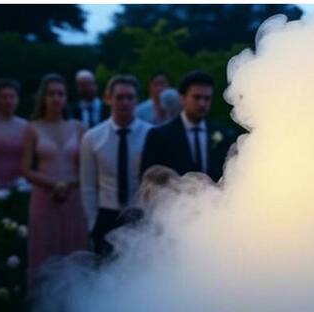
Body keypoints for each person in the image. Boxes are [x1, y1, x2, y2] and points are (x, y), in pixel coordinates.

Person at [20, 73, 88, 287]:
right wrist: (52, 184)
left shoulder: (79, 127)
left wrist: (68, 185)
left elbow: (87, 169)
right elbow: (25, 168)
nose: (56, 98)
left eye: (60, 94)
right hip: (43, 197)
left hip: (73, 197)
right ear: (43, 98)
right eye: (51, 94)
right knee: (45, 248)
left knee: (74, 249)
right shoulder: (32, 128)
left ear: (66, 97)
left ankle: (75, 303)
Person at [80, 75, 153, 256]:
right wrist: (92, 223)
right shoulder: (93, 137)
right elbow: (88, 186)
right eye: (120, 97)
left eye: (130, 97)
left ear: (137, 100)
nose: (125, 102)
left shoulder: (151, 134)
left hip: (140, 214)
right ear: (108, 98)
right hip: (107, 213)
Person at [140, 71, 235, 182]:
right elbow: (149, 179)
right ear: (182, 98)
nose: (202, 104)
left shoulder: (223, 134)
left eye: (207, 98)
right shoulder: (160, 135)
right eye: (196, 97)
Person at [0, 78, 28, 188]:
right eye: (4, 97)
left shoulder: (25, 126)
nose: (8, 101)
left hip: (20, 185)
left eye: (12, 97)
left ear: (18, 99)